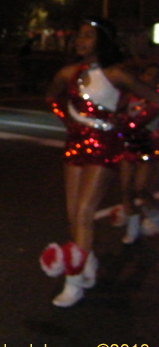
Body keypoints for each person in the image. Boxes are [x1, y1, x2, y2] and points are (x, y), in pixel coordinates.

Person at [41, 18, 159, 307]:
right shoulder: (68, 72)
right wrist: (68, 120)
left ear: (101, 41)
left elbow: (154, 99)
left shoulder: (116, 73)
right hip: (75, 143)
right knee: (73, 213)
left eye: (88, 36)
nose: (81, 41)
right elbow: (52, 96)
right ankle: (87, 259)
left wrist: (129, 124)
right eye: (79, 35)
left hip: (105, 144)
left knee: (84, 211)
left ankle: (74, 281)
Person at [118, 62, 159, 244]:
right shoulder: (130, 96)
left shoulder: (155, 98)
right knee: (126, 189)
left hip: (149, 147)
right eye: (147, 74)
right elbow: (116, 113)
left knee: (141, 188)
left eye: (155, 76)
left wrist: (127, 125)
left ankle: (155, 215)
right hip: (129, 145)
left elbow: (140, 121)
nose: (150, 78)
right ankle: (132, 228)